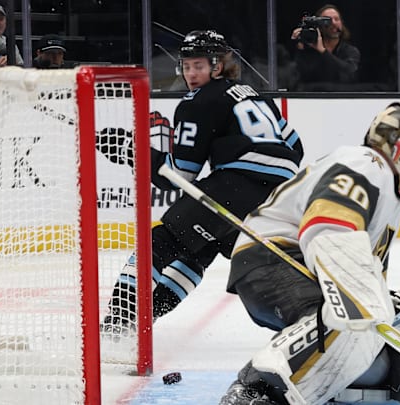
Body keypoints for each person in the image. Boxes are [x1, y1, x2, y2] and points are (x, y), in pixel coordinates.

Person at [218, 102, 400, 405]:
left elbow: (364, 266)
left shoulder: (386, 188)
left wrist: (390, 306)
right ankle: (255, 389)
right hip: (273, 256)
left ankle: (328, 388)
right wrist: (356, 298)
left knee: (369, 320)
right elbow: (327, 224)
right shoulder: (367, 163)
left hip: (292, 263)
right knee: (350, 319)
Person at [99, 30, 304, 334]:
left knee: (160, 242)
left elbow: (179, 176)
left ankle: (118, 322)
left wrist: (131, 151)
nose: (191, 73)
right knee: (198, 251)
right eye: (186, 65)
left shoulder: (198, 102)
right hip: (279, 194)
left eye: (199, 66)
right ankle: (142, 321)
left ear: (217, 66)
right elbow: (295, 147)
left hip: (237, 185)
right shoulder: (252, 92)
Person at [290, 4, 361, 91]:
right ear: (318, 25)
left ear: (342, 23)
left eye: (336, 19)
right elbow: (297, 80)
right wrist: (299, 47)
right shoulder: (308, 49)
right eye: (327, 20)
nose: (333, 23)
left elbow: (349, 74)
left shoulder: (350, 51)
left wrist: (323, 51)